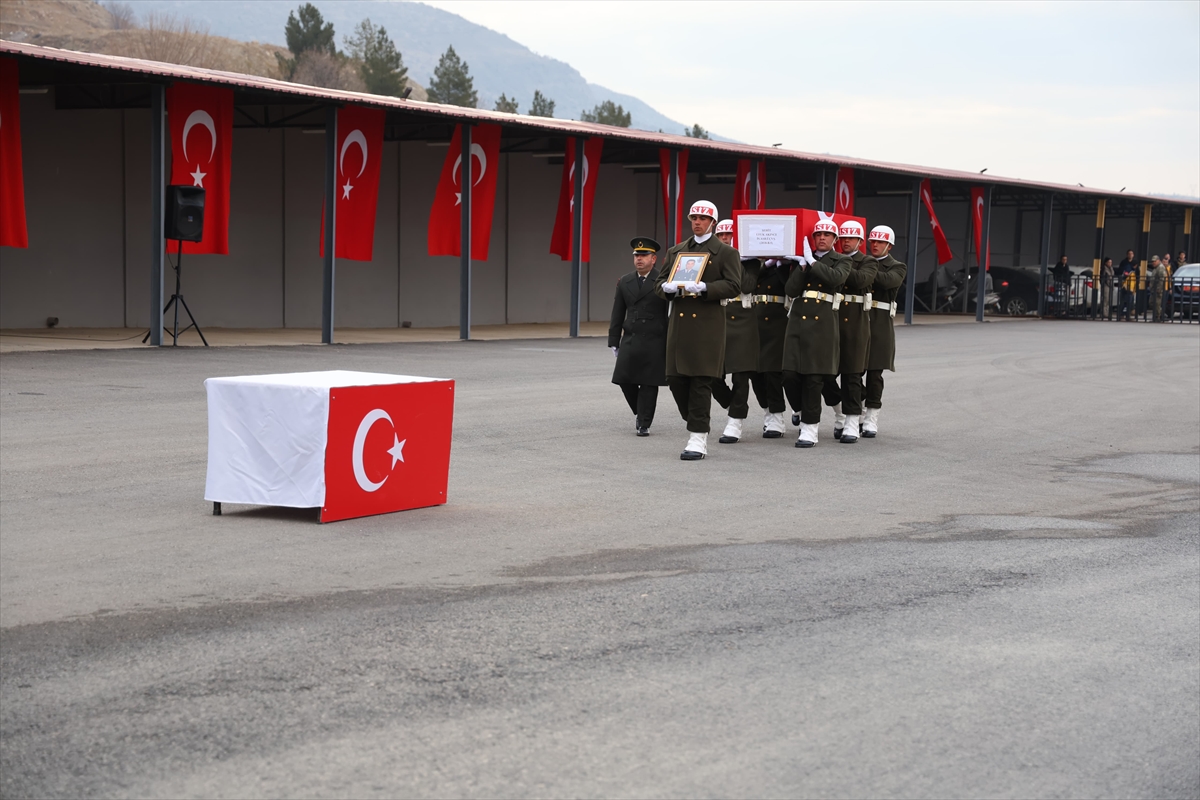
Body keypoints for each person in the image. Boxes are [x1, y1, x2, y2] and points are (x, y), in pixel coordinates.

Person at [655, 200, 743, 460]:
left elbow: (734, 285)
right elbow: (660, 283)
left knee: (701, 381)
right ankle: (694, 420)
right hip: (680, 325)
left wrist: (706, 288)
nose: (697, 222)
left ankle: (697, 437)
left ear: (713, 223)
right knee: (674, 379)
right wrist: (666, 289)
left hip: (708, 323)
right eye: (693, 217)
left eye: (703, 218)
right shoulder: (677, 251)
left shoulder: (725, 253)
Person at [781, 218, 850, 448]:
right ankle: (800, 409)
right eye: (818, 234)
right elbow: (790, 290)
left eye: (827, 235)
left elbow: (835, 279)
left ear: (835, 240)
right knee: (789, 374)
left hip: (823, 325)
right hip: (798, 321)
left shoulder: (841, 260)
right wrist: (801, 266)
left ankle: (810, 429)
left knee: (814, 377)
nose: (822, 237)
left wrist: (812, 262)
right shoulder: (803, 261)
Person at [821, 220, 876, 443]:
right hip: (831, 321)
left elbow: (862, 279)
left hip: (855, 323)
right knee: (824, 374)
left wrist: (840, 265)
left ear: (860, 242)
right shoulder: (832, 260)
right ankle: (840, 412)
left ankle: (853, 421)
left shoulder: (868, 261)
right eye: (842, 238)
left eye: (851, 239)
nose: (845, 242)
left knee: (852, 375)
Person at [609, 237, 668, 436]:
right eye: (636, 256)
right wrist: (613, 340)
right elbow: (617, 312)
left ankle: (644, 423)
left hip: (655, 338)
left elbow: (669, 312)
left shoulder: (663, 281)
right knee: (624, 380)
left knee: (649, 383)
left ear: (654, 259)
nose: (639, 259)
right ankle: (640, 411)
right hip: (631, 337)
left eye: (644, 256)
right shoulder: (625, 281)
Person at [709, 219, 759, 444]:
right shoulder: (710, 260)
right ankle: (733, 404)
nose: (725, 239)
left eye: (729, 235)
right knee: (711, 375)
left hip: (743, 322)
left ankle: (735, 422)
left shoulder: (750, 262)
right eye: (721, 235)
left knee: (741, 376)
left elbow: (746, 286)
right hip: (717, 319)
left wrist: (734, 258)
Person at [862, 225, 907, 438]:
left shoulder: (897, 266)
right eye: (872, 242)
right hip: (858, 319)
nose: (875, 245)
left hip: (880, 322)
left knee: (874, 372)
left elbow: (889, 281)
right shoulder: (860, 262)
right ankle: (857, 406)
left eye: (879, 242)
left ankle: (871, 415)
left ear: (889, 245)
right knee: (851, 371)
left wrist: (865, 269)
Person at [751, 257, 792, 438]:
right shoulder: (753, 264)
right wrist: (764, 264)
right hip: (755, 319)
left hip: (779, 320)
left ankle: (777, 415)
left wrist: (781, 264)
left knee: (773, 371)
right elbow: (747, 284)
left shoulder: (788, 264)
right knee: (755, 372)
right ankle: (767, 410)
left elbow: (791, 287)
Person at [1148, 255, 1167, 322]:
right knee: (1152, 303)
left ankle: (1157, 317)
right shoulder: (1156, 268)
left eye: (1154, 261)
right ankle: (1161, 315)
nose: (1153, 263)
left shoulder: (1160, 268)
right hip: (1154, 289)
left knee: (1157, 303)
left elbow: (1162, 279)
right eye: (1152, 261)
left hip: (1158, 289)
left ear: (1158, 261)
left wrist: (1159, 288)